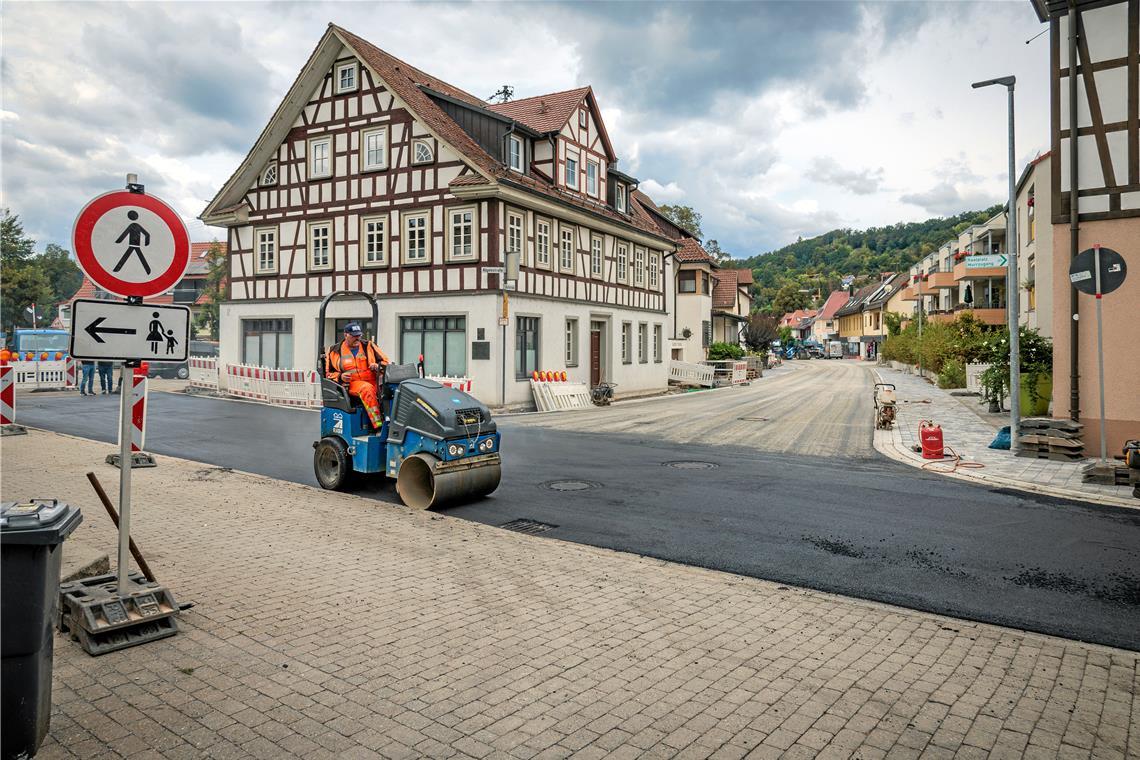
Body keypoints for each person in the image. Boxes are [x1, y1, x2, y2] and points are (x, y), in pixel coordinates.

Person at [325, 322, 389, 429]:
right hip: (352, 384)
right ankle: (378, 425)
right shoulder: (334, 351)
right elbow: (328, 374)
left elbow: (385, 362)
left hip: (374, 381)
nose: (357, 338)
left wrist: (378, 366)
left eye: (359, 335)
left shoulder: (368, 346)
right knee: (367, 389)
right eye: (354, 336)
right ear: (346, 335)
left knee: (394, 389)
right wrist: (340, 376)